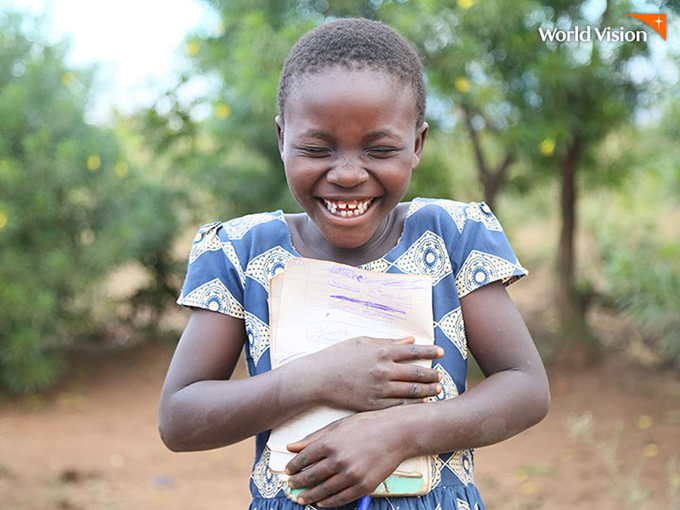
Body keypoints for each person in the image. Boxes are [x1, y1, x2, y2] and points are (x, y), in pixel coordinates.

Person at [159, 17, 550, 510]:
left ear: (417, 145)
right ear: (282, 138)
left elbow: (526, 386)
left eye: (380, 149)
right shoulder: (241, 252)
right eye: (316, 149)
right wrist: (316, 377)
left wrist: (398, 432)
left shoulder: (454, 238)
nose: (346, 174)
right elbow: (179, 418)